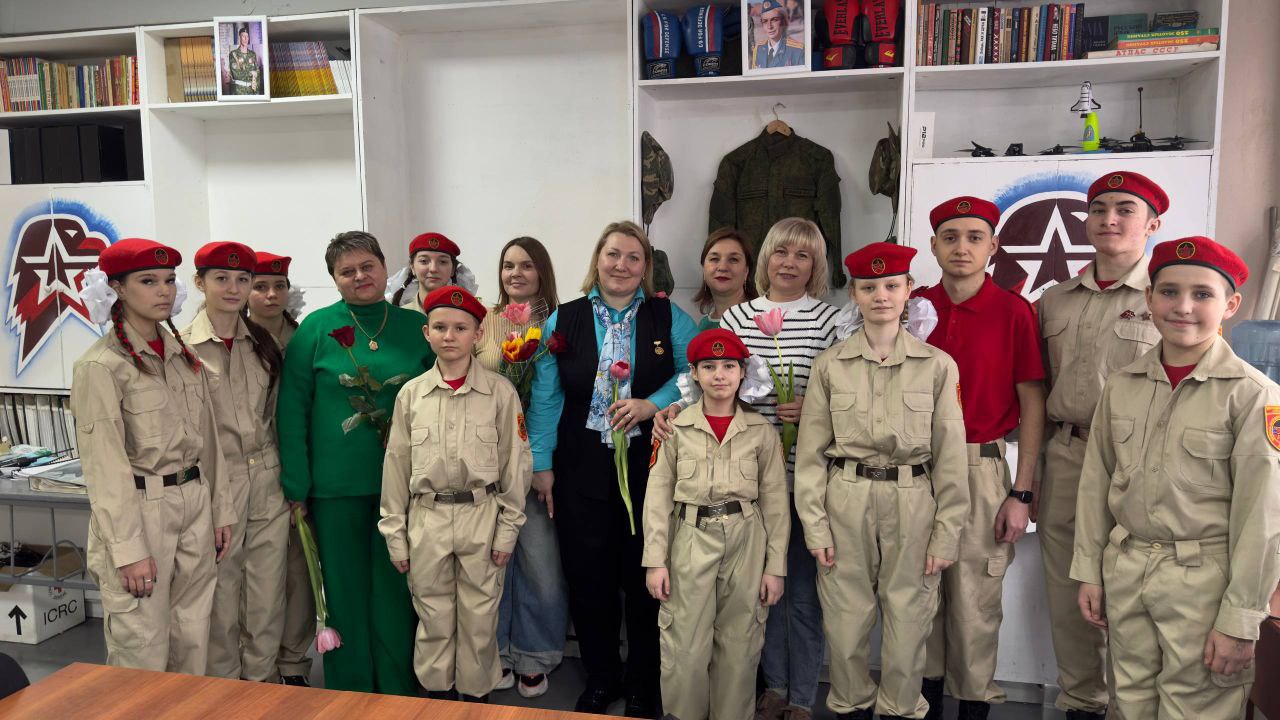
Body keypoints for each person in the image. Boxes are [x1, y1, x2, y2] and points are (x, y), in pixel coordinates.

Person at [1072, 236, 1280, 718]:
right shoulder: (1122, 386)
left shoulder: (1254, 396)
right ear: (1149, 298)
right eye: (1169, 292)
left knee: (1195, 708)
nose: (1183, 307)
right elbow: (1096, 484)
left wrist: (1240, 619)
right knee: (1127, 704)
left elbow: (1264, 519)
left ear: (1231, 304)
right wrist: (1089, 571)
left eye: (1202, 294)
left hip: (1205, 584)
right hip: (1127, 570)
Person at [526, 220, 698, 716]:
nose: (621, 265)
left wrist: (652, 403)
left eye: (633, 257)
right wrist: (541, 464)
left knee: (645, 578)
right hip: (579, 465)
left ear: (645, 267)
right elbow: (546, 395)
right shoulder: (565, 319)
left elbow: (693, 372)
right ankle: (601, 678)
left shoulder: (667, 317)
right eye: (612, 255)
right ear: (597, 260)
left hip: (650, 467)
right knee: (589, 578)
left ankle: (645, 683)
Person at [796, 243, 968, 720]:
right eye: (869, 288)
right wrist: (815, 526)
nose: (881, 297)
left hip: (912, 499)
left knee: (910, 620)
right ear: (853, 293)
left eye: (892, 286)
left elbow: (951, 458)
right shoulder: (831, 365)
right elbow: (810, 455)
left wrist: (946, 533)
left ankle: (900, 709)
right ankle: (850, 706)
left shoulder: (937, 365)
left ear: (909, 290)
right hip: (846, 498)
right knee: (845, 620)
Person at [689, 217, 835, 720]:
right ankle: (773, 686)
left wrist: (813, 410)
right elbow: (719, 389)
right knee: (762, 590)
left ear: (816, 265)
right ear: (766, 259)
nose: (789, 263)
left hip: (807, 478)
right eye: (780, 252)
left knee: (802, 593)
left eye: (802, 255)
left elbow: (843, 393)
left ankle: (802, 697)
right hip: (748, 481)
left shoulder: (828, 321)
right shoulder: (737, 318)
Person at [276, 231, 433, 695]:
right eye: (347, 271)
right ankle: (351, 689)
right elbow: (292, 411)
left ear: (385, 268)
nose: (360, 276)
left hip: (403, 486)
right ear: (334, 279)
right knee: (343, 592)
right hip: (335, 488)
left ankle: (398, 687)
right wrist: (297, 486)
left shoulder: (416, 326)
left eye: (368, 266)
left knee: (396, 590)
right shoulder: (315, 329)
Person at [1036, 171, 1168, 719]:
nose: (1109, 219)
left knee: (1135, 591)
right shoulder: (1054, 300)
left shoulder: (1168, 296)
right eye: (1098, 209)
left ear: (1152, 224)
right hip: (1068, 454)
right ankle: (1081, 703)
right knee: (1069, 592)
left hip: (1140, 463)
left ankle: (1130, 708)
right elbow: (1038, 390)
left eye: (1124, 209)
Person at [70, 238, 231, 673]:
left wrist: (221, 510)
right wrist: (128, 551)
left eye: (168, 280)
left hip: (194, 501)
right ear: (117, 289)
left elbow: (210, 440)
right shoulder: (101, 367)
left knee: (193, 636)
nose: (163, 290)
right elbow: (105, 469)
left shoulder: (182, 355)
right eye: (148, 281)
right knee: (143, 645)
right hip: (142, 511)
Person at [915, 197, 1045, 720]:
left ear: (993, 246)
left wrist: (1021, 491)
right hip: (917, 467)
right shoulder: (914, 306)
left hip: (980, 465)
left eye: (974, 237)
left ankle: (972, 707)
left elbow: (1032, 401)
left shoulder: (1013, 311)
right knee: (918, 596)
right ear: (934, 246)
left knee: (974, 600)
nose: (961, 248)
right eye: (950, 237)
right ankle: (921, 706)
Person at [380, 285, 531, 703]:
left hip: (481, 516)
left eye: (461, 328)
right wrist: (395, 535)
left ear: (478, 334)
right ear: (426, 333)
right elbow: (395, 468)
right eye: (440, 327)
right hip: (427, 519)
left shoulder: (500, 393)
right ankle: (438, 698)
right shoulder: (411, 395)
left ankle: (477, 699)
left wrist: (507, 532)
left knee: (480, 617)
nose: (450, 336)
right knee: (433, 615)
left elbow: (516, 465)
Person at [643, 328, 790, 720]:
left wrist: (775, 567)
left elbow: (776, 503)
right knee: (684, 645)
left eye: (729, 366)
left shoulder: (760, 431)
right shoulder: (674, 428)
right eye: (709, 367)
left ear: (743, 373)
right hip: (690, 538)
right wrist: (655, 561)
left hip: (746, 542)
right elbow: (657, 497)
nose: (720, 375)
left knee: (740, 646)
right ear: (694, 373)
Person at [181, 242, 289, 682]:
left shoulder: (262, 343)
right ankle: (224, 691)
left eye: (242, 279)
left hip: (267, 477)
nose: (233, 288)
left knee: (267, 593)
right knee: (221, 593)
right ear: (199, 283)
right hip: (216, 480)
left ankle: (261, 685)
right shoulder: (182, 348)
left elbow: (274, 415)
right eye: (221, 278)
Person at [476, 237, 569, 699]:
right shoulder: (483, 320)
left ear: (542, 271)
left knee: (538, 562)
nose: (516, 273)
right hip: (486, 460)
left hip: (537, 459)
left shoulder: (560, 323)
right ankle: (493, 651)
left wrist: (538, 459)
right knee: (491, 562)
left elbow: (556, 393)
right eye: (508, 265)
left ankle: (534, 654)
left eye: (527, 265)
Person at [247, 252, 313, 686]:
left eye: (280, 286)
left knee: (300, 572)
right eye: (261, 287)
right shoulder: (234, 339)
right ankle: (259, 665)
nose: (272, 295)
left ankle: (294, 662)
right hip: (255, 469)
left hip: (301, 464)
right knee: (260, 579)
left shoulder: (305, 336)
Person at [693, 228, 758, 331]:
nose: (722, 267)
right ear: (703, 270)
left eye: (733, 259)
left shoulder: (760, 319)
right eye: (714, 259)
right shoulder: (703, 325)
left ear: (746, 271)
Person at [391, 232, 466, 312]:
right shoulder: (402, 315)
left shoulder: (466, 315)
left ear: (453, 269)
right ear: (412, 267)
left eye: (443, 262)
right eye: (424, 261)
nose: (433, 269)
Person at [752, 0, 805, 68]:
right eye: (765, 21)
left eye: (774, 20)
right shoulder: (758, 50)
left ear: (783, 22)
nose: (769, 26)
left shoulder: (798, 51)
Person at [227, 25, 261, 95]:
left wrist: (256, 90)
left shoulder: (252, 54)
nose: (245, 38)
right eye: (243, 36)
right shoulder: (234, 54)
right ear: (239, 37)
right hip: (239, 91)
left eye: (247, 36)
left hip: (251, 90)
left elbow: (257, 72)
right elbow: (236, 74)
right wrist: (251, 73)